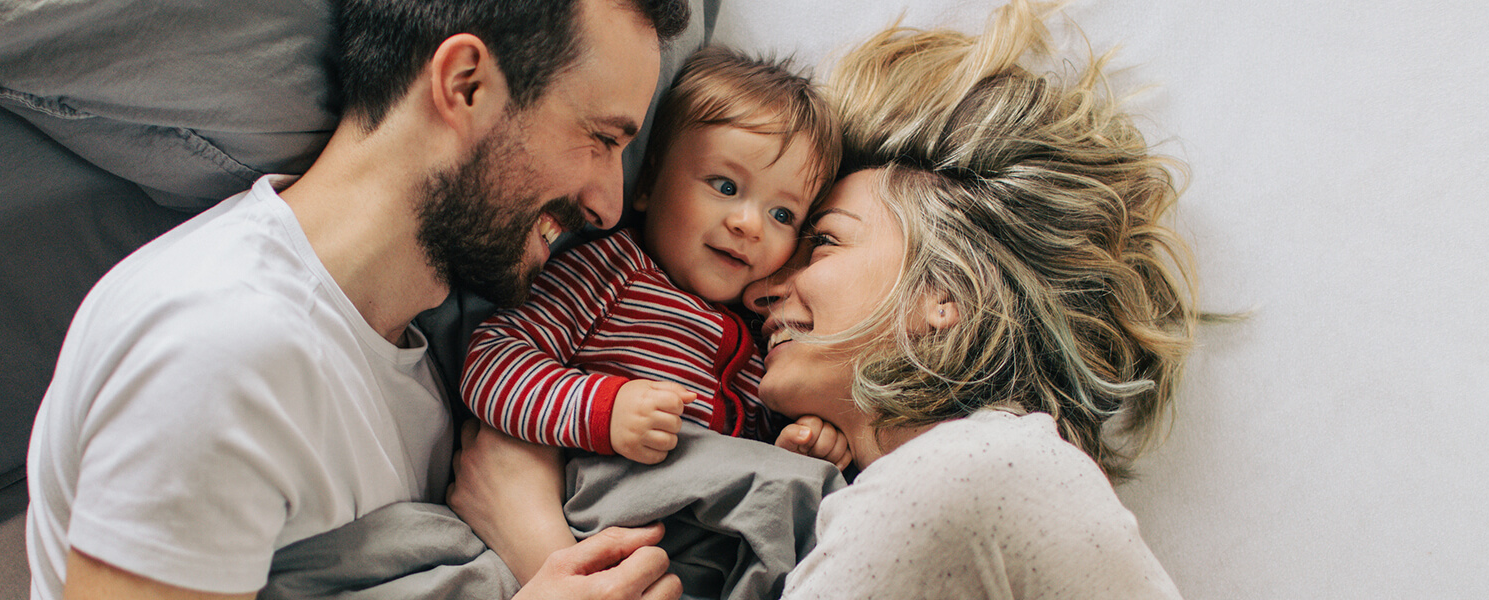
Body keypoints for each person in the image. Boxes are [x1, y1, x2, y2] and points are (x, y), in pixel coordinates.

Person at [451, 0, 1201, 597]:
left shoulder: (968, 473)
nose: (769, 279)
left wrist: (534, 545)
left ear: (944, 295)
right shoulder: (920, 489)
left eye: (821, 239)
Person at [22, 1, 693, 599]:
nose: (608, 205)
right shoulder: (217, 350)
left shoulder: (418, 344)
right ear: (466, 85)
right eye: (602, 140)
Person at [461, 46, 848, 477]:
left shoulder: (766, 329)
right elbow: (491, 360)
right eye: (724, 186)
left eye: (782, 215)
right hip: (594, 500)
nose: (749, 225)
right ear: (646, 183)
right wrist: (605, 411)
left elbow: (756, 449)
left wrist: (801, 443)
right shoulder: (608, 273)